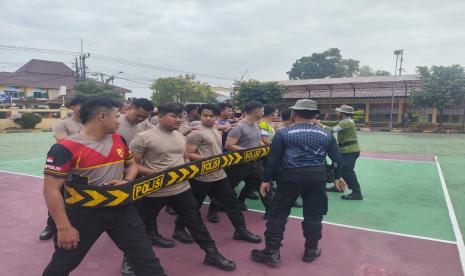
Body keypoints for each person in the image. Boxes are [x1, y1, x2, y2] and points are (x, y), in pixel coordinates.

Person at [42, 96, 166, 276]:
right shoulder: (65, 148)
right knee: (62, 264)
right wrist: (63, 227)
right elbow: (50, 189)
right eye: (116, 116)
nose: (119, 120)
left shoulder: (118, 139)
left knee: (147, 261)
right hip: (83, 213)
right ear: (102, 117)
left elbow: (131, 165)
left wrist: (127, 181)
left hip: (122, 210)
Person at [130, 103, 236, 272]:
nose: (179, 120)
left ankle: (212, 254)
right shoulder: (143, 137)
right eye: (174, 116)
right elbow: (132, 165)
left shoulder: (180, 135)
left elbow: (185, 157)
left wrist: (185, 168)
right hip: (154, 190)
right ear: (161, 116)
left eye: (181, 116)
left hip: (181, 188)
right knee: (140, 226)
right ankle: (130, 261)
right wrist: (157, 174)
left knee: (196, 223)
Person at [250, 99, 347, 267]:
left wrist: (266, 179)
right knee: (314, 214)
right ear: (316, 115)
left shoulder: (284, 133)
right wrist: (338, 176)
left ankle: (272, 253)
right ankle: (311, 250)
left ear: (294, 113)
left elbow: (273, 160)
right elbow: (338, 159)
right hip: (317, 177)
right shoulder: (326, 134)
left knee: (278, 213)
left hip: (290, 177)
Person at [174, 103, 262, 243]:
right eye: (204, 115)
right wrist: (212, 160)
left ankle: (240, 230)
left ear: (216, 116)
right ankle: (178, 229)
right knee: (193, 206)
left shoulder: (215, 129)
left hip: (219, 174)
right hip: (202, 176)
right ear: (200, 115)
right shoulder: (196, 132)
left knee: (232, 203)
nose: (207, 118)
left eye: (211, 116)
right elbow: (189, 154)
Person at [39, 95, 87, 241]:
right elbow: (63, 142)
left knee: (80, 200)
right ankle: (52, 225)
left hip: (84, 169)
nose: (84, 109)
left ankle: (76, 226)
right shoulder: (62, 123)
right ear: (72, 107)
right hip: (64, 168)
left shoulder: (89, 123)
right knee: (58, 196)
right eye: (81, 105)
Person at [314, 105, 363, 200]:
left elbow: (331, 130)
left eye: (338, 112)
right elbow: (333, 123)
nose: (337, 113)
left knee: (347, 171)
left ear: (343, 113)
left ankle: (357, 193)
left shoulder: (347, 122)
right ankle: (339, 186)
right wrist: (320, 121)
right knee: (337, 167)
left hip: (350, 151)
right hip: (346, 150)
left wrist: (317, 123)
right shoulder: (344, 121)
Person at [224, 101, 264, 210]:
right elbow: (229, 145)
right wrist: (248, 151)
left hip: (254, 161)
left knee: (255, 182)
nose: (263, 113)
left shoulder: (256, 125)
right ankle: (215, 208)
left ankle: (240, 201)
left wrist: (263, 147)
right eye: (262, 110)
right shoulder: (239, 127)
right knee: (229, 186)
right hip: (239, 163)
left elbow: (258, 140)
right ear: (256, 111)